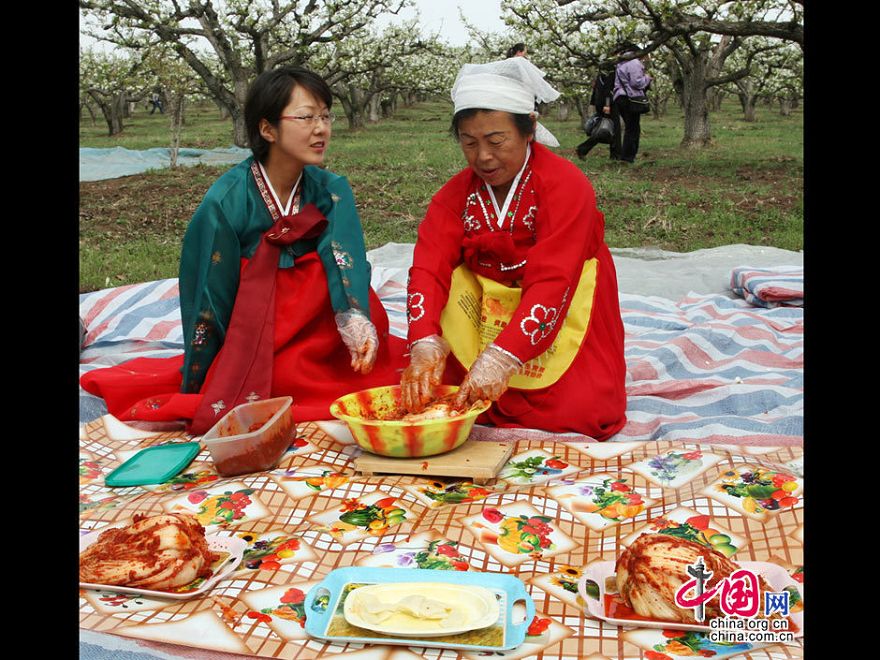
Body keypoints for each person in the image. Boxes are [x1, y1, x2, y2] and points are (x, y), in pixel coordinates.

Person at [81, 67, 405, 433]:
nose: (321, 129)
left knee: (376, 359)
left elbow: (345, 254)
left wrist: (354, 317)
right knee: (269, 381)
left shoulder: (331, 188)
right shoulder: (227, 198)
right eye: (306, 117)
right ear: (267, 129)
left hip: (323, 319)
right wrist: (205, 366)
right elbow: (210, 285)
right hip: (263, 323)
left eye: (325, 115)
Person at [399, 58, 627, 440]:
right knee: (438, 394)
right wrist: (422, 339)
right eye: (469, 143)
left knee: (582, 411)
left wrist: (504, 356)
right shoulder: (454, 195)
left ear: (529, 130)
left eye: (496, 141)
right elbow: (428, 266)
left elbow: (555, 279)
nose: (483, 157)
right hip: (485, 316)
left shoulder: (566, 186)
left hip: (561, 307)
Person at [611, 42, 652, 163]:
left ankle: (627, 156)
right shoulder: (634, 63)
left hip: (620, 97)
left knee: (630, 127)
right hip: (629, 98)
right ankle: (628, 158)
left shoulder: (620, 63)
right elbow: (636, 82)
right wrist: (647, 78)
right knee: (632, 128)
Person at [576, 60, 618, 160]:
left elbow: (596, 90)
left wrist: (593, 103)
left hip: (601, 105)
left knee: (607, 128)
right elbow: (608, 90)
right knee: (609, 129)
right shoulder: (610, 74)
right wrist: (607, 105)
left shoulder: (600, 75)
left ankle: (614, 155)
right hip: (608, 105)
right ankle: (582, 149)